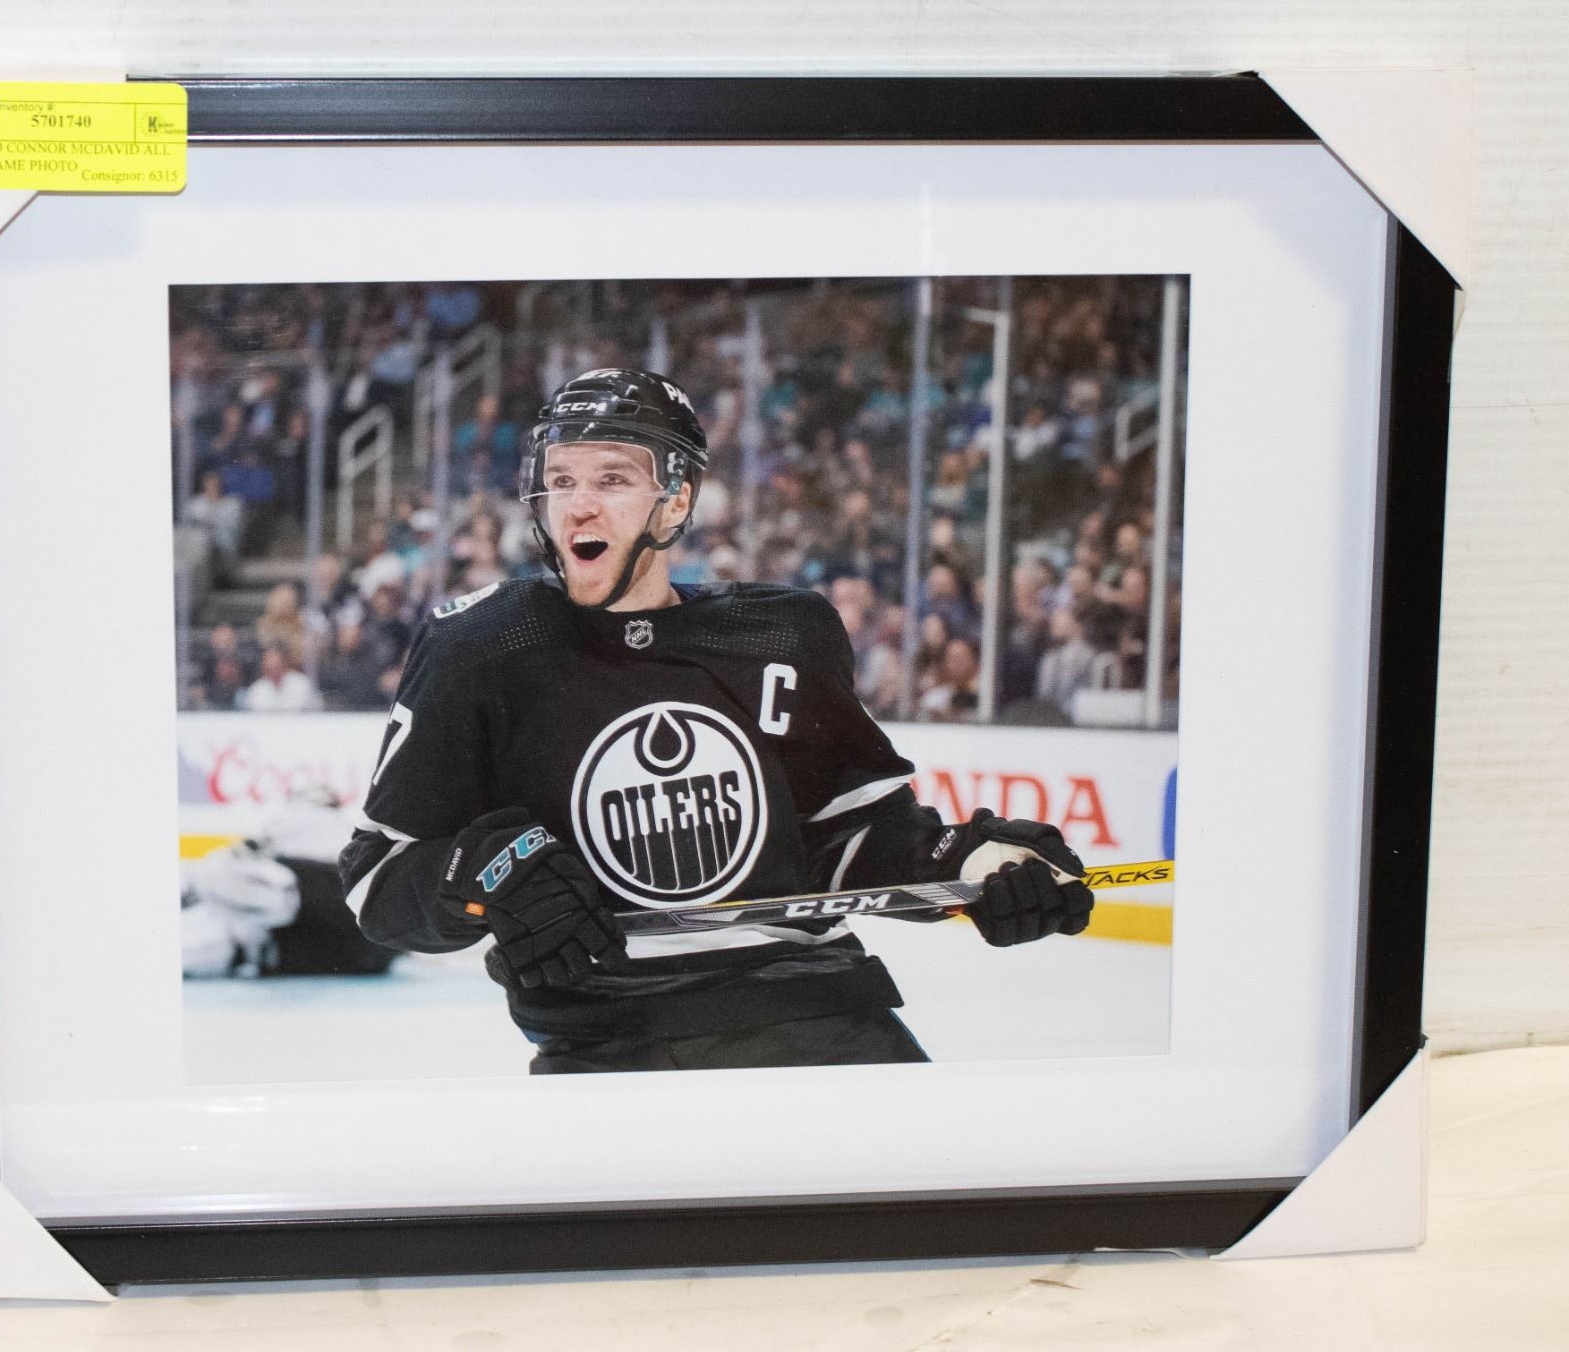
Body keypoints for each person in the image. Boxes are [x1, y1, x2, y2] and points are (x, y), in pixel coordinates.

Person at [338, 368, 1094, 1074]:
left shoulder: (781, 634)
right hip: (606, 1046)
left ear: (676, 500)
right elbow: (377, 881)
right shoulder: (483, 647)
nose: (578, 505)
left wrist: (970, 861)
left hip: (819, 1013)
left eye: (612, 479)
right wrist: (482, 873)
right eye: (561, 479)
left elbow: (843, 838)